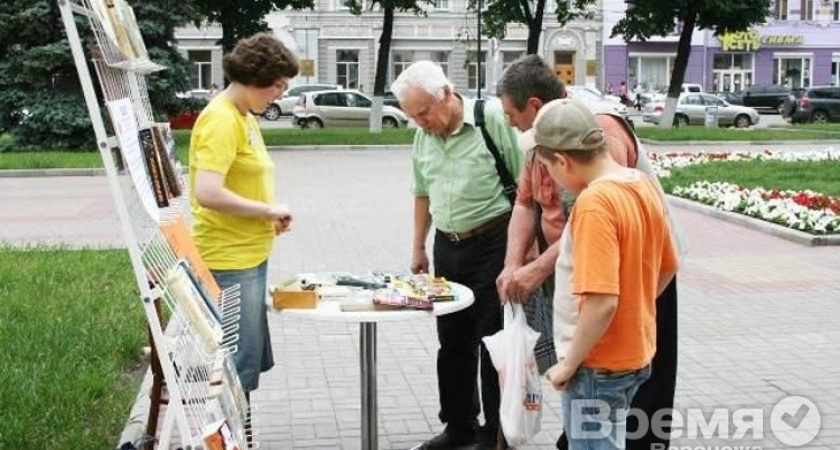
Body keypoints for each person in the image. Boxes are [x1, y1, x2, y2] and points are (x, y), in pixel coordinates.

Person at [495, 54, 685, 450]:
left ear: (562, 161)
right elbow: (669, 264)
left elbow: (600, 302)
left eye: (549, 167)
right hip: (629, 351)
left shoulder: (594, 202)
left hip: (596, 359)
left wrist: (568, 362)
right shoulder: (637, 183)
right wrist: (635, 314)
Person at [391, 60, 523, 450]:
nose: (421, 122)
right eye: (413, 116)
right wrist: (418, 246)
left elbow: (525, 186)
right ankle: (459, 425)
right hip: (447, 246)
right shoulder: (423, 137)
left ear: (447, 93)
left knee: (491, 338)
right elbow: (421, 191)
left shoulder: (492, 120)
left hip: (493, 241)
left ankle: (495, 432)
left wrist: (519, 257)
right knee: (452, 339)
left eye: (425, 112)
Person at [189, 32, 298, 399]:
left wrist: (264, 217)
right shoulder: (221, 119)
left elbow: (242, 182)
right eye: (278, 86)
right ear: (256, 78)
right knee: (237, 365)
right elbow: (208, 192)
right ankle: (230, 437)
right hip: (229, 259)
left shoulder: (243, 115)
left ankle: (240, 435)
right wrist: (267, 209)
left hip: (248, 252)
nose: (281, 94)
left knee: (247, 360)